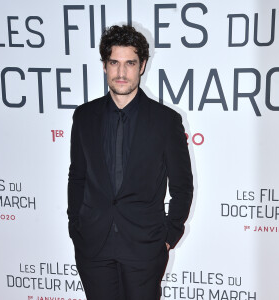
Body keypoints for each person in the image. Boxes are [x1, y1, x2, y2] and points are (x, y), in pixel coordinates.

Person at [67, 25, 193, 300]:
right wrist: (75, 226)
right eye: (114, 62)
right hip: (93, 246)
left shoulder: (166, 121)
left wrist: (169, 236)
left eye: (130, 63)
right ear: (104, 66)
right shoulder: (84, 117)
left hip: (145, 247)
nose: (121, 73)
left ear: (142, 66)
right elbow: (77, 176)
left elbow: (182, 186)